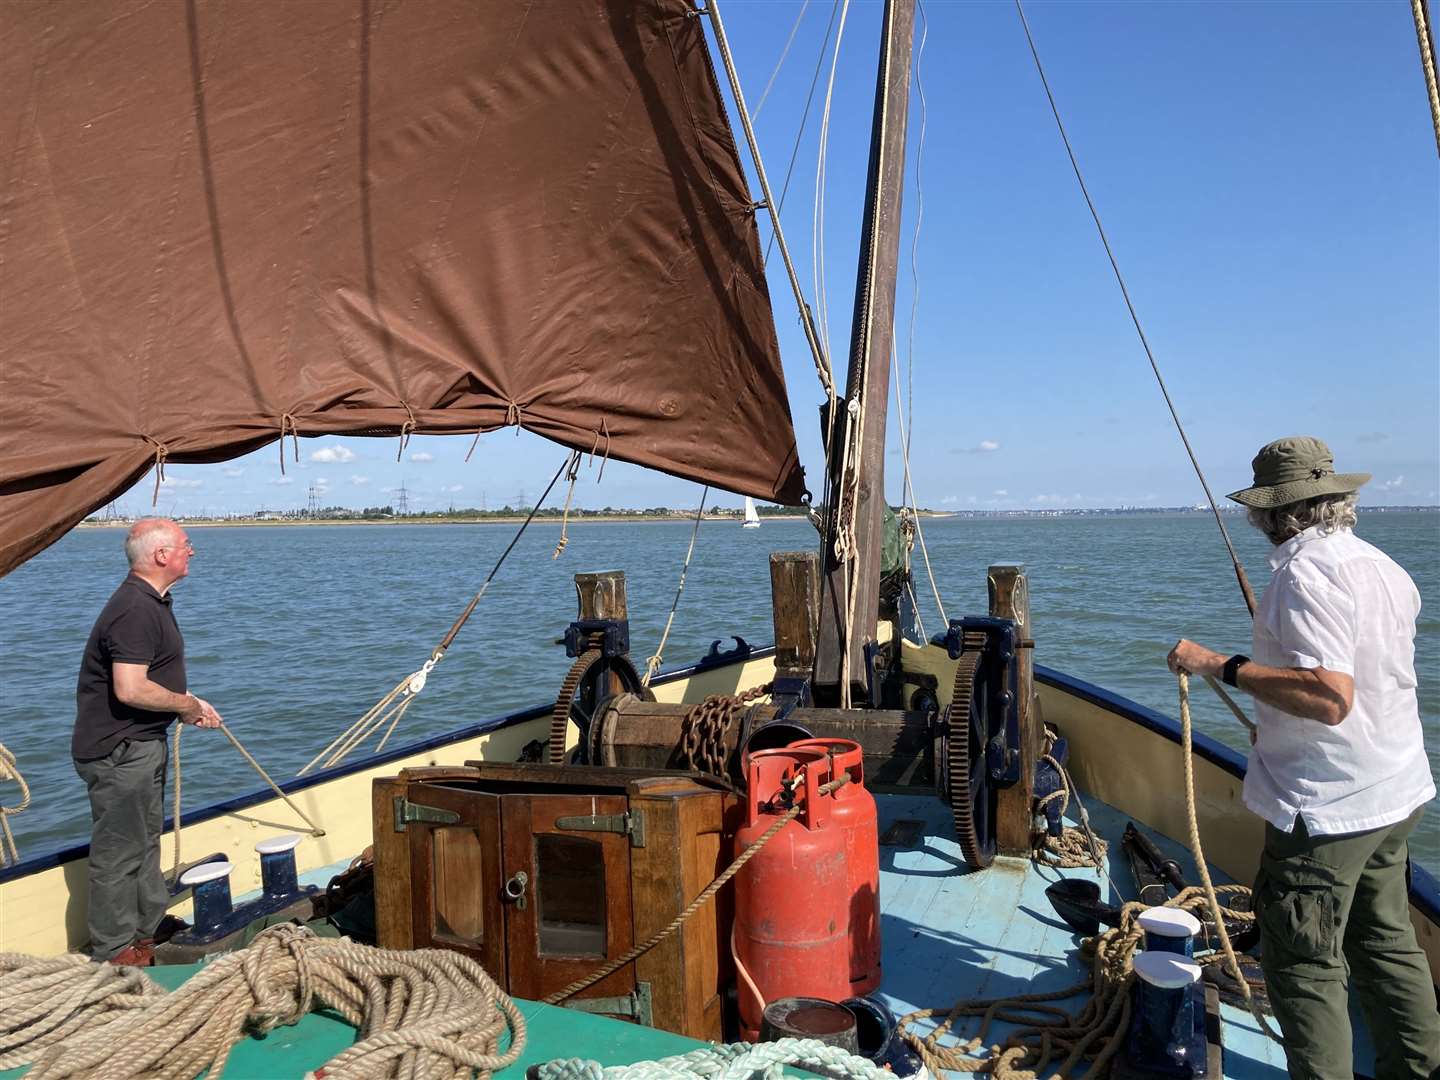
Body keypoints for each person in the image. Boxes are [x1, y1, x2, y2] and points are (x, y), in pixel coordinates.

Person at [1167, 436, 1439, 1080]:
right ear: (1336, 500)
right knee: (1386, 941)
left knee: (1304, 965)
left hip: (1327, 810)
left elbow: (1329, 696)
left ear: (1274, 512)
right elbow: (1368, 680)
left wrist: (1217, 664)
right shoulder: (1381, 565)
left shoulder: (1302, 574)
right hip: (1394, 792)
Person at [73, 518, 222, 966]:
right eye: (185, 544)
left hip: (139, 744)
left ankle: (145, 931)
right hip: (121, 750)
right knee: (119, 852)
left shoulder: (150, 601)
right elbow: (130, 688)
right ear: (161, 555)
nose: (191, 551)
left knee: (144, 841)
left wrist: (186, 703)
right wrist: (186, 705)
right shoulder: (135, 609)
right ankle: (116, 951)